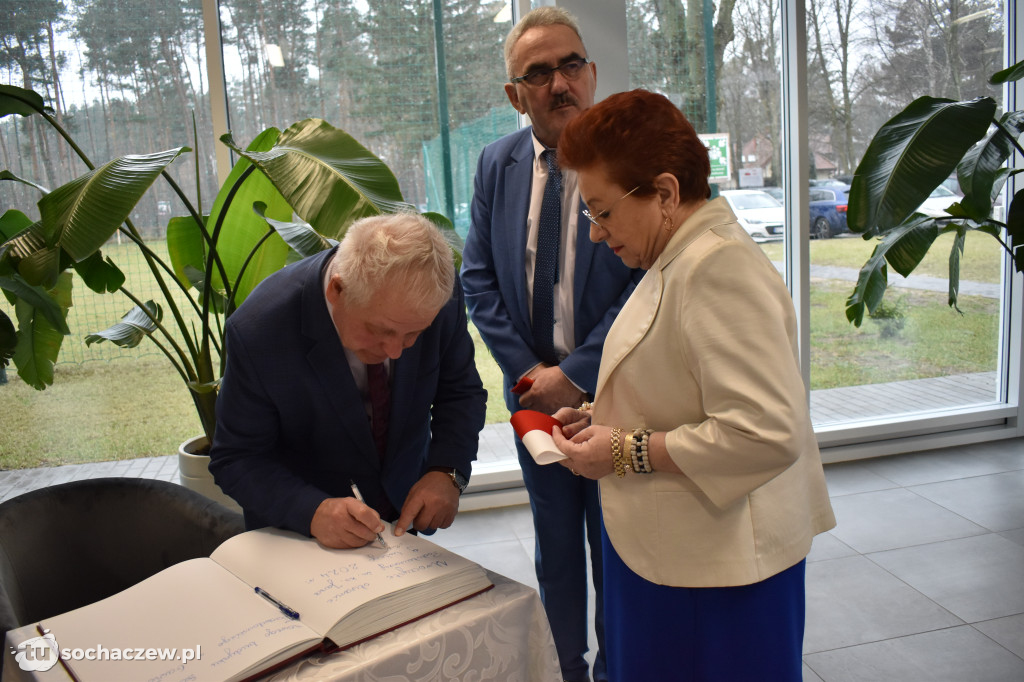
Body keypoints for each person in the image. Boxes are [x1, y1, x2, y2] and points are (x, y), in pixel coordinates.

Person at [550, 89, 837, 681]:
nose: (597, 233)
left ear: (665, 192)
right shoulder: (677, 254)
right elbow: (677, 380)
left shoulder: (715, 268)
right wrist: (603, 416)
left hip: (719, 573)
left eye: (602, 211)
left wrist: (624, 450)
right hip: (681, 555)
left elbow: (764, 432)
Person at [460, 8, 641, 682]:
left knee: (617, 546)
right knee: (556, 546)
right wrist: (534, 372)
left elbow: (645, 282)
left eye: (570, 65)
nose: (559, 82)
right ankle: (565, 669)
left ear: (591, 74)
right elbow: (479, 277)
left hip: (616, 398)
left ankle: (617, 669)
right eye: (538, 73)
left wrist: (581, 373)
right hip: (535, 397)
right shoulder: (496, 164)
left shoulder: (632, 159)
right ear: (515, 94)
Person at [210, 212, 487, 550]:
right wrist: (312, 511)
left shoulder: (436, 294)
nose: (395, 352)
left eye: (414, 334)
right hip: (300, 537)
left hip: (401, 523)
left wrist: (447, 471)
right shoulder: (260, 330)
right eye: (380, 331)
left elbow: (460, 392)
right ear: (337, 289)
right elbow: (237, 459)